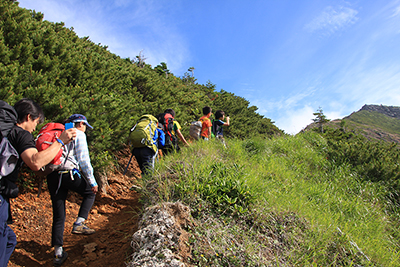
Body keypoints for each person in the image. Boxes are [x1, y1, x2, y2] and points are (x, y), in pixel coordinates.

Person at [0, 98, 76, 267]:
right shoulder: (21, 134)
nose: (35, 127)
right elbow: (35, 162)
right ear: (28, 117)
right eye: (35, 122)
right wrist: (61, 141)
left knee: (10, 240)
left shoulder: (6, 131)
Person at [46, 114, 99, 266]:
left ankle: (58, 254)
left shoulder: (59, 133)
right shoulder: (79, 134)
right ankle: (79, 224)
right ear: (80, 123)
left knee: (58, 214)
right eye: (85, 126)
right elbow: (84, 160)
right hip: (68, 174)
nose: (85, 130)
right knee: (89, 192)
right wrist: (92, 182)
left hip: (52, 176)